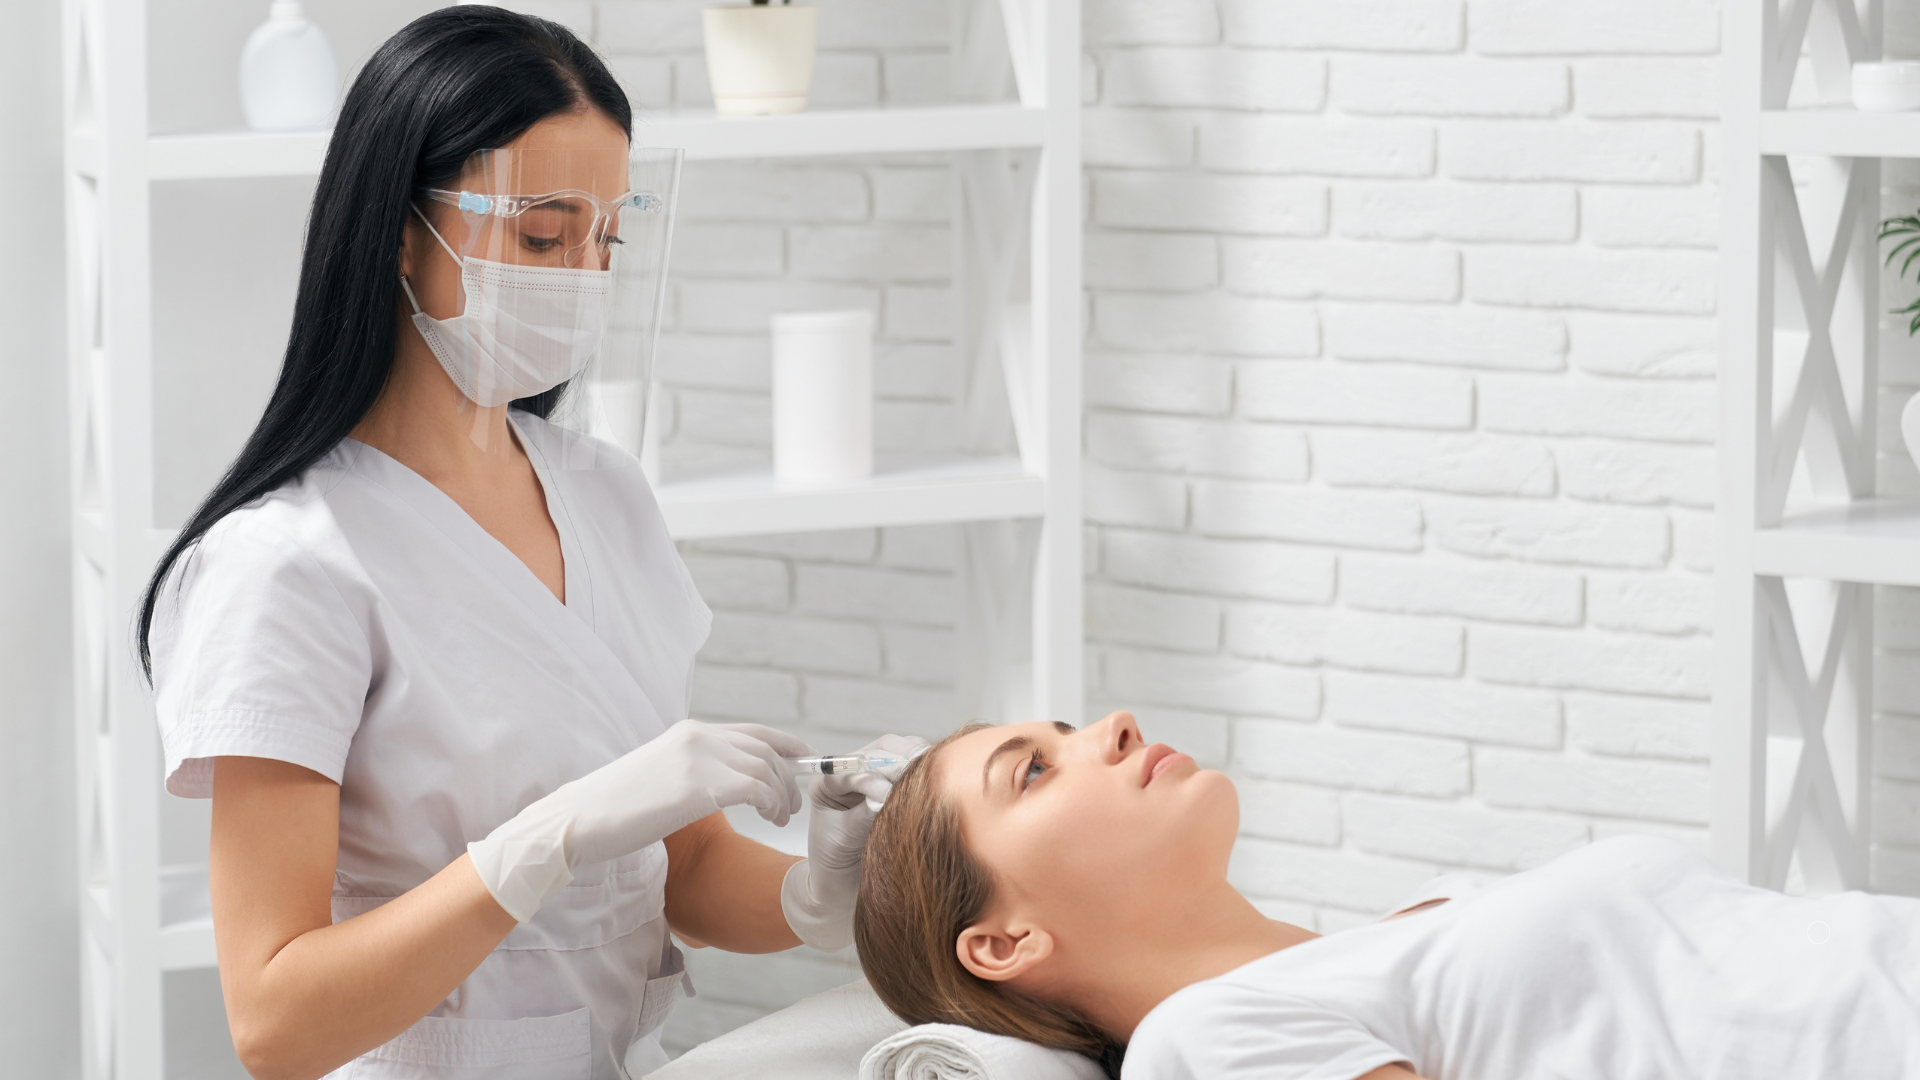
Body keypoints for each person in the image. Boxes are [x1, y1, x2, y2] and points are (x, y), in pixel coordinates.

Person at [139, 8, 920, 1078]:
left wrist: (811, 893)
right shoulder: (290, 563)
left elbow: (677, 863)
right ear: (402, 228)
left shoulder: (606, 498)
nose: (579, 277)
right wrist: (543, 841)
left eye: (606, 240)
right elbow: (276, 1023)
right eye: (544, 235)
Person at [854, 712, 1920, 1080]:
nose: (1115, 726)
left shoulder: (1423, 917)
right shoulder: (1208, 1040)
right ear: (1002, 942)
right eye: (1031, 771)